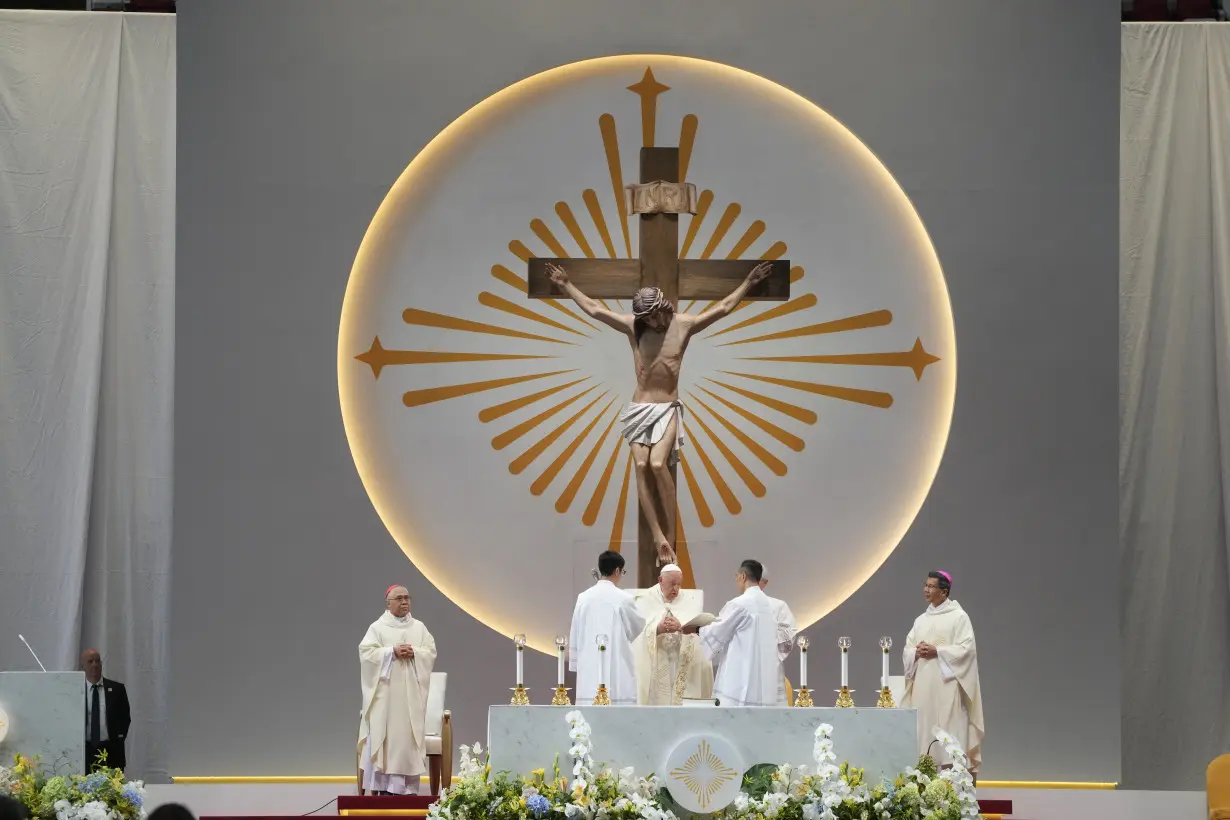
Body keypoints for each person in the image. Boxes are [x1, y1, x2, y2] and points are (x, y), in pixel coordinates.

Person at [546, 261, 773, 567]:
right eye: (647, 319)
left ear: (663, 308)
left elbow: (723, 308)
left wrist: (749, 282)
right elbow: (595, 309)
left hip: (667, 408)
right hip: (640, 408)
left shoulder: (684, 325)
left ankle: (671, 532)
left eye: (653, 316)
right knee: (640, 464)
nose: (652, 323)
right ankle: (658, 536)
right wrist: (565, 285)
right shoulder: (634, 328)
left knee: (656, 463)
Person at [901, 571, 985, 774]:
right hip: (923, 687)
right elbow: (907, 648)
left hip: (947, 687)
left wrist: (938, 651)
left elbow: (967, 650)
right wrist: (915, 652)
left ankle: (951, 777)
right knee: (924, 732)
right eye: (925, 585)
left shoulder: (959, 617)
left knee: (948, 731)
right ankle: (924, 776)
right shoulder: (921, 620)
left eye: (931, 586)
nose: (926, 590)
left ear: (944, 592)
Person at [357, 585, 437, 795]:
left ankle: (408, 790)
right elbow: (366, 654)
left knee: (407, 739)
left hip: (411, 697)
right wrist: (391, 652)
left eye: (407, 598)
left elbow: (430, 653)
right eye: (399, 598)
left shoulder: (419, 628)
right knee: (388, 739)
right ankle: (385, 789)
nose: (404, 602)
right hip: (386, 698)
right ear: (388, 603)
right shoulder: (377, 627)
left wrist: (415, 653)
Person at [684, 559, 779, 706]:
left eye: (736, 577)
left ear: (743, 576)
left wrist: (695, 629)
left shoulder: (740, 604)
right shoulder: (770, 606)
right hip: (764, 682)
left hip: (740, 676)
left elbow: (719, 631)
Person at [568, 550, 646, 704]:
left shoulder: (583, 598)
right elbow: (637, 627)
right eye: (622, 571)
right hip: (616, 670)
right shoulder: (624, 598)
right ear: (617, 570)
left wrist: (576, 662)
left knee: (588, 721)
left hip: (589, 669)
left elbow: (575, 632)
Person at [632, 564, 714, 704]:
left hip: (679, 660)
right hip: (657, 661)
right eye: (672, 584)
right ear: (660, 580)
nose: (676, 589)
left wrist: (680, 626)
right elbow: (636, 632)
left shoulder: (689, 600)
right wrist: (657, 628)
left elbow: (696, 626)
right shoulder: (645, 599)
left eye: (678, 584)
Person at [81, 649, 131, 772]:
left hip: (111, 753)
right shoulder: (75, 690)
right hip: (84, 753)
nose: (95, 665)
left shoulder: (117, 689)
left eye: (98, 661)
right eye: (90, 661)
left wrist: (118, 739)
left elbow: (125, 718)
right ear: (83, 666)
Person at [758, 567, 798, 705]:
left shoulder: (778, 606)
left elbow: (788, 635)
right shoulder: (735, 605)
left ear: (765, 583)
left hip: (770, 672)